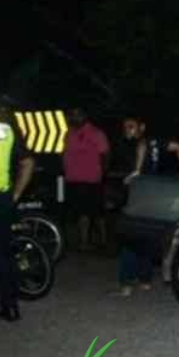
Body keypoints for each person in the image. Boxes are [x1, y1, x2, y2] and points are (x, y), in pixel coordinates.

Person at [114, 116, 179, 296]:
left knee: (129, 238)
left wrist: (134, 175)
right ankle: (145, 281)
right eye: (125, 127)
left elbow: (138, 168)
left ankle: (126, 285)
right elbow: (178, 148)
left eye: (131, 127)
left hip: (141, 195)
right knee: (145, 237)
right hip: (152, 195)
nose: (127, 130)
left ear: (142, 127)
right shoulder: (152, 143)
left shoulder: (143, 144)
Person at [0, 105, 35, 330]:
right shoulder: (5, 130)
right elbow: (28, 162)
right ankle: (10, 307)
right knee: (3, 254)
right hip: (1, 200)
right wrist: (15, 194)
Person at [62, 107, 110, 252]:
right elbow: (65, 153)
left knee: (95, 212)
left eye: (77, 115)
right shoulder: (69, 133)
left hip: (91, 178)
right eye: (72, 115)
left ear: (84, 116)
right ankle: (87, 241)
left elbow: (106, 154)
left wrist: (103, 172)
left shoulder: (96, 133)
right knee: (81, 211)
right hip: (72, 178)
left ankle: (99, 241)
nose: (74, 117)